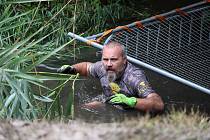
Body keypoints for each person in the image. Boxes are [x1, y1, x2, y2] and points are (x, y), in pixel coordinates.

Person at [58, 41, 164, 112]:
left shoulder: (135, 77)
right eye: (105, 59)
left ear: (124, 60)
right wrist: (72, 69)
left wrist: (131, 102)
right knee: (80, 109)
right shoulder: (103, 67)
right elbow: (86, 67)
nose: (108, 64)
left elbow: (158, 104)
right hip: (109, 101)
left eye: (113, 59)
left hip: (130, 111)